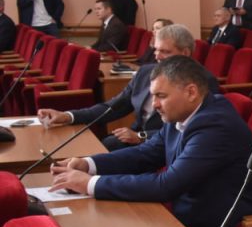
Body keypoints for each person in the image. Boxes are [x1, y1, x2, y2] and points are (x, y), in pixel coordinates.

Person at [49, 56, 252, 227]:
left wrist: (90, 184)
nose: (155, 104)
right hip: (195, 216)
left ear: (191, 92)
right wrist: (88, 164)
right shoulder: (182, 114)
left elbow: (167, 185)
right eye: (153, 96)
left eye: (161, 96)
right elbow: (146, 153)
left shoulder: (215, 125)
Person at [39, 24, 221, 150]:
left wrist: (141, 137)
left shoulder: (203, 81)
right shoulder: (146, 73)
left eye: (165, 52)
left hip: (167, 146)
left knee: (107, 150)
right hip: (134, 139)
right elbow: (112, 107)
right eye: (156, 50)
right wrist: (68, 116)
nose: (157, 56)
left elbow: (192, 129)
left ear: (185, 53)